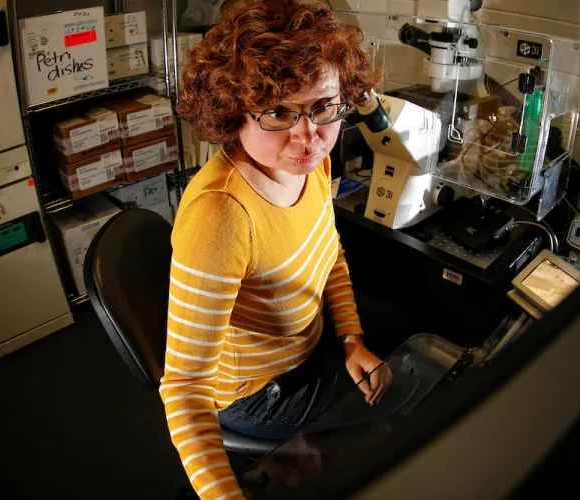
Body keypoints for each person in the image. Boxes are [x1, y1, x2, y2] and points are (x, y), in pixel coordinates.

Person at [159, 1, 393, 498]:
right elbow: (184, 391)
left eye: (323, 107)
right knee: (394, 417)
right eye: (278, 113)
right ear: (232, 114)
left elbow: (330, 255)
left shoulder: (310, 164)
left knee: (407, 342)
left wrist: (351, 338)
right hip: (255, 394)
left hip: (311, 343)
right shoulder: (221, 216)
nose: (308, 137)